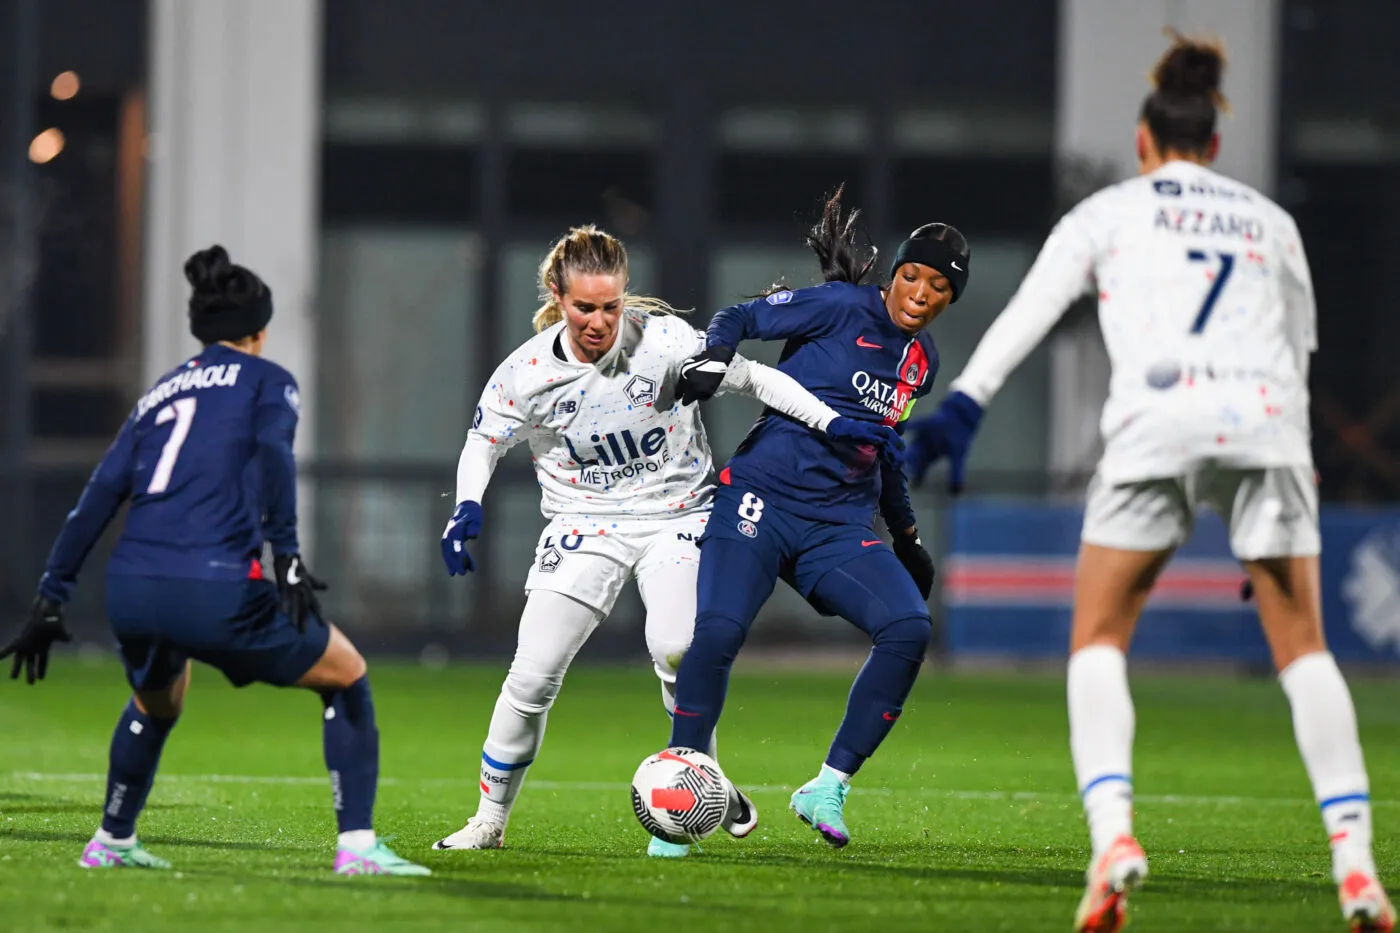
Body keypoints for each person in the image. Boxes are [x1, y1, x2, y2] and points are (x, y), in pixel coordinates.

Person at [904, 35, 1393, 933]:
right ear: (1214, 143)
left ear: (1144, 140)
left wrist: (964, 406)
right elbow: (1298, 351)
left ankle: (1114, 839)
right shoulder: (1270, 222)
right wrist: (1287, 486)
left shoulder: (1110, 212)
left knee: (1098, 638)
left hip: (1156, 424)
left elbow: (1031, 310)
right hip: (1268, 429)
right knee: (1304, 649)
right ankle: (1357, 863)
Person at [434, 224, 901, 858]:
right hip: (583, 523)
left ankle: (699, 782)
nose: (599, 322)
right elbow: (483, 442)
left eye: (610, 306)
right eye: (584, 307)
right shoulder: (527, 372)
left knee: (679, 648)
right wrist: (465, 505)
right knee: (532, 674)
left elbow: (757, 379)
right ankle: (489, 822)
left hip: (676, 514)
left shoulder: (665, 342)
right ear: (557, 296)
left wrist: (832, 422)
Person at [0, 246, 428, 877]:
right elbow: (275, 455)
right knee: (346, 675)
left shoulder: (158, 394)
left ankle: (112, 839)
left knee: (157, 702)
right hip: (215, 588)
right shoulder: (267, 379)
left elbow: (96, 497)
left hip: (133, 589)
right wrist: (286, 556)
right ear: (259, 330)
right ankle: (358, 847)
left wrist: (50, 595)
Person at [664, 189, 966, 848]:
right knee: (716, 632)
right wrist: (714, 355)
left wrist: (907, 535)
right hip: (762, 499)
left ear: (951, 299)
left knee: (909, 627)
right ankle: (679, 796)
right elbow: (740, 315)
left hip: (837, 526)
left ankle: (827, 785)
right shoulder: (839, 306)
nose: (921, 292)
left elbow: (885, 449)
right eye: (913, 275)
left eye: (939, 286)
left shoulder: (922, 362)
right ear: (895, 273)